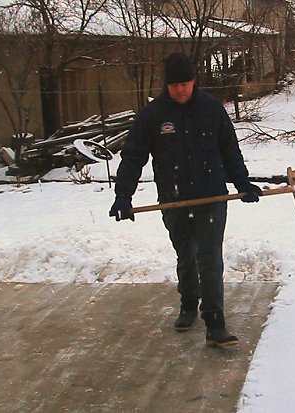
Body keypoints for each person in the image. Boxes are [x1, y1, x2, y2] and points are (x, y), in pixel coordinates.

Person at [109, 52, 262, 347]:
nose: (180, 89)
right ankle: (189, 302)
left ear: (194, 81)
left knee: (209, 257)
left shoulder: (212, 108)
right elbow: (133, 156)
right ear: (166, 84)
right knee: (186, 255)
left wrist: (243, 183)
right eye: (174, 84)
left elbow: (230, 150)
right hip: (173, 198)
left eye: (186, 83)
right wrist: (123, 195)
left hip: (211, 196)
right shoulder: (153, 115)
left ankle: (215, 321)